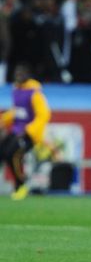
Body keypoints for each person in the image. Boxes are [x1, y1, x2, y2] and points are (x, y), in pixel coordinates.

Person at [1, 63, 50, 200]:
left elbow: (43, 115)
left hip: (29, 135)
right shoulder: (16, 91)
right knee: (3, 152)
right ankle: (19, 183)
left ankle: (21, 185)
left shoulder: (34, 93)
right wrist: (3, 121)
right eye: (17, 73)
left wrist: (28, 130)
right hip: (16, 131)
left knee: (14, 154)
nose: (18, 76)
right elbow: (16, 112)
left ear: (28, 75)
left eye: (21, 73)